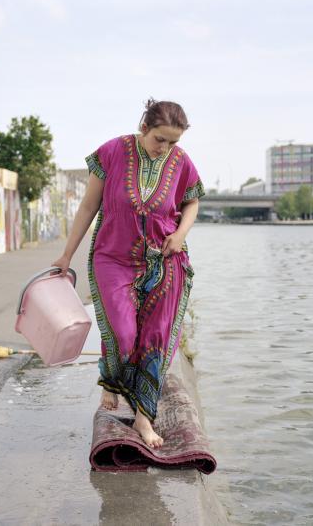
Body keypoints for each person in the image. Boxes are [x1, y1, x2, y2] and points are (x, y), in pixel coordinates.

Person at [52, 99, 205, 448]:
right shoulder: (112, 152)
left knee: (155, 339)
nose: (164, 148)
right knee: (123, 332)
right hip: (114, 258)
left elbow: (192, 201)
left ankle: (143, 418)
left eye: (173, 142)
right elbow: (89, 206)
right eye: (159, 139)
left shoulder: (180, 162)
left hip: (163, 261)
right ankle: (112, 379)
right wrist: (66, 254)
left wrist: (180, 235)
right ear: (144, 128)